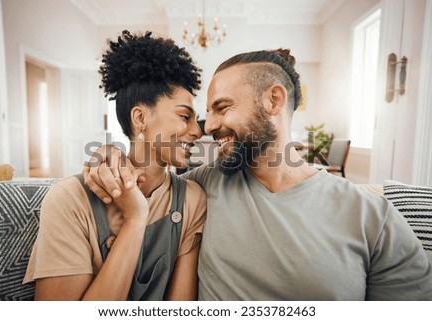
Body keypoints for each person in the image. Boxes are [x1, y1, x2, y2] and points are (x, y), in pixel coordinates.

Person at [84, 48, 432, 300]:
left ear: (274, 100)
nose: (210, 127)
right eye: (207, 113)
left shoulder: (372, 216)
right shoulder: (201, 186)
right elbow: (147, 178)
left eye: (222, 108)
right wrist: (111, 155)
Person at [23, 30, 207, 300]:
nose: (197, 132)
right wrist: (135, 218)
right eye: (184, 116)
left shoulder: (192, 199)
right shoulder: (70, 199)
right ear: (140, 117)